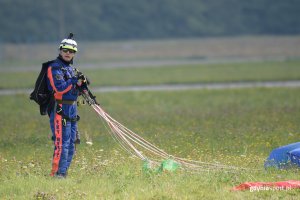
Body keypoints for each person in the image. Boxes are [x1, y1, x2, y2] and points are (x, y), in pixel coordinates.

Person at [46, 33, 83, 178]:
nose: (68, 53)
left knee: (72, 143)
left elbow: (73, 89)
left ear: (74, 53)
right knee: (62, 143)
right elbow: (60, 88)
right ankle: (57, 174)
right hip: (60, 108)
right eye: (65, 50)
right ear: (60, 51)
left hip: (72, 108)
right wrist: (74, 80)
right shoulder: (54, 68)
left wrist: (82, 86)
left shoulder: (70, 68)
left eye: (71, 51)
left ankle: (64, 173)